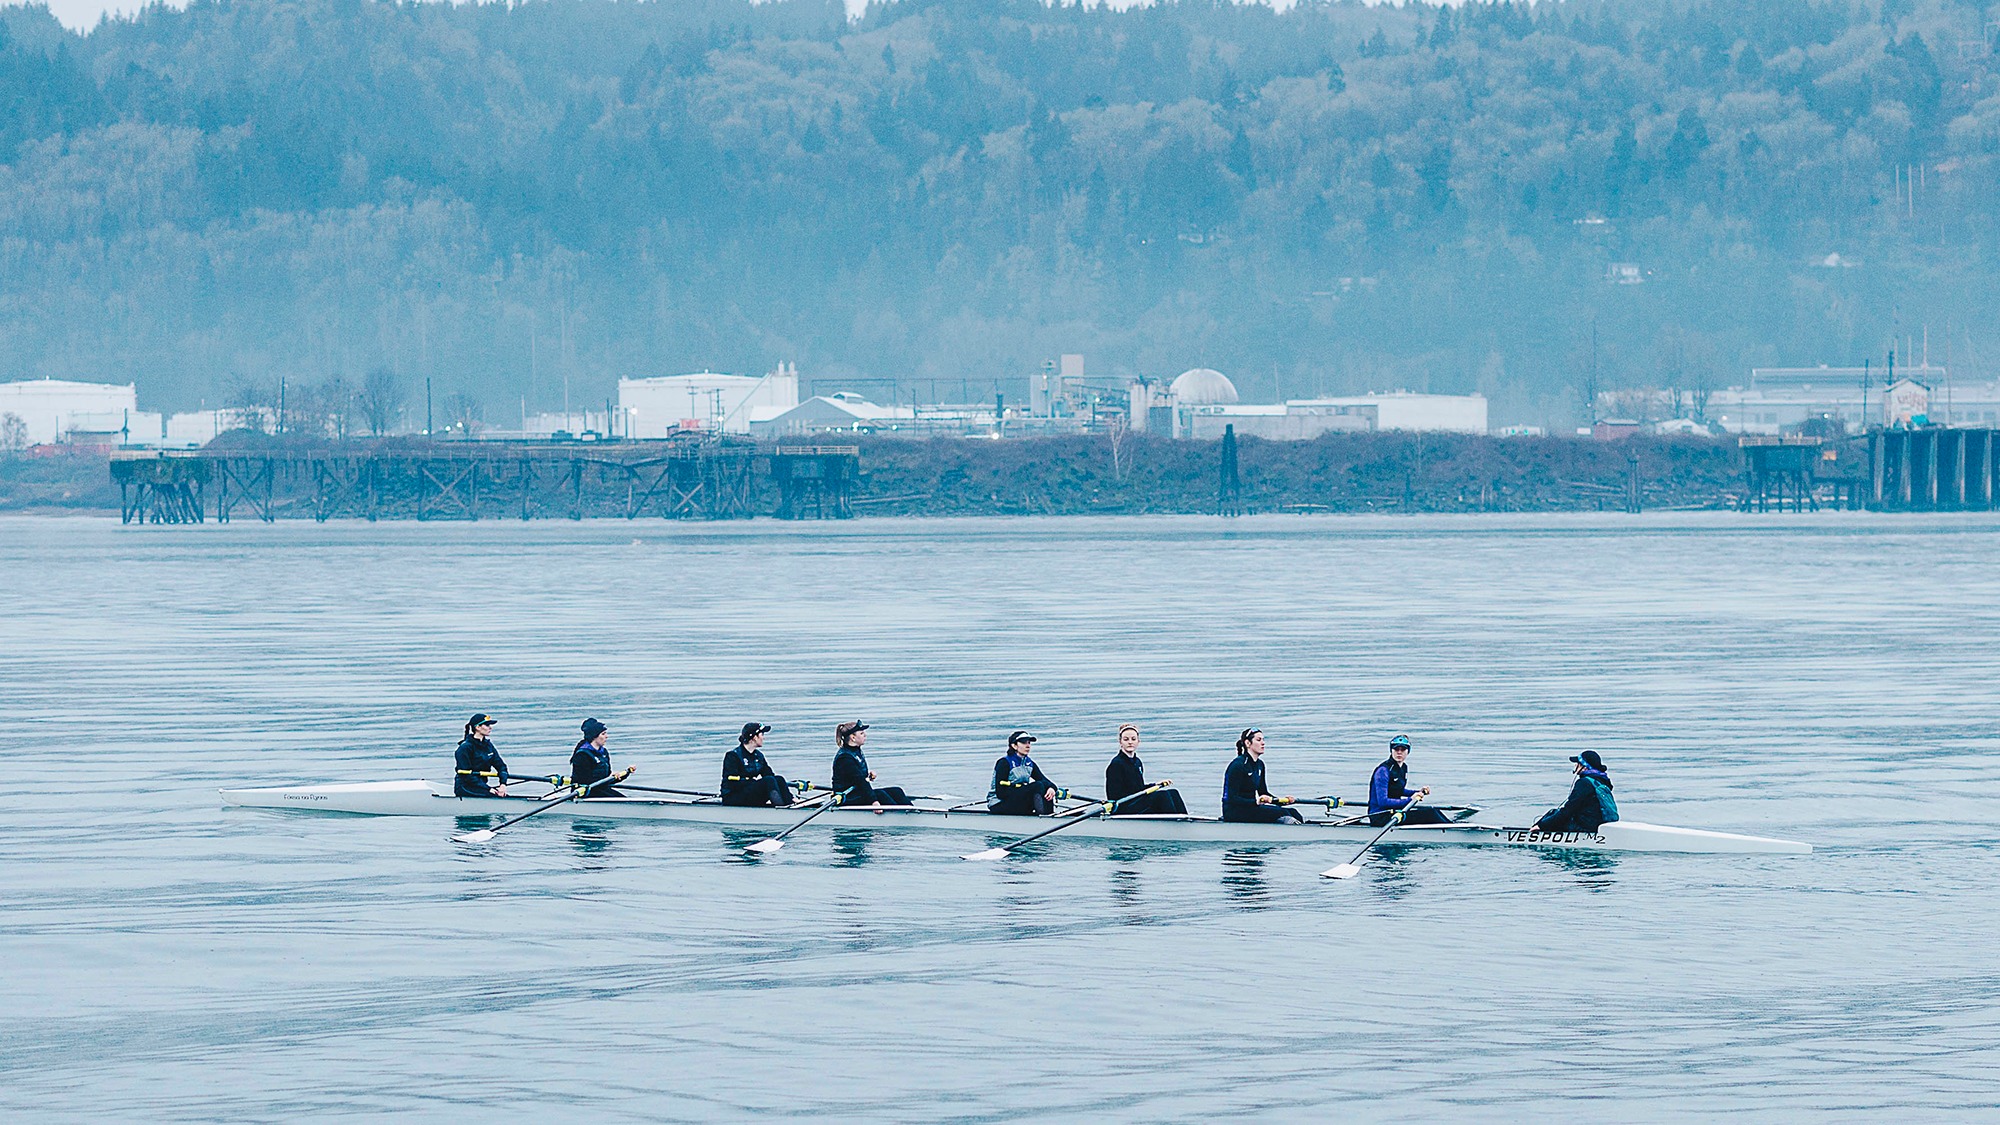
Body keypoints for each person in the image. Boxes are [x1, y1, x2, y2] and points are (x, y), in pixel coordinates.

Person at [1221, 728, 1303, 824]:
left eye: (1263, 740)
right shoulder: (1237, 765)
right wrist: (1255, 802)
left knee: (1294, 812)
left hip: (1250, 808)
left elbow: (1263, 793)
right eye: (1259, 740)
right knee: (1282, 813)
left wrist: (1283, 801)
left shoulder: (1260, 765)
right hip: (1234, 811)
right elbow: (1231, 798)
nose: (1263, 743)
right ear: (1248, 743)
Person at [1367, 735, 1450, 826]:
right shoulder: (1383, 771)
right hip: (1380, 817)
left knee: (1434, 810)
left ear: (1408, 752)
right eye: (1396, 749)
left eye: (1402, 750)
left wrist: (1419, 792)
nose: (1399, 752)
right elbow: (1382, 802)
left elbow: (1398, 790)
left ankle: (1452, 825)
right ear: (1391, 750)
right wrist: (1410, 799)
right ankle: (1454, 832)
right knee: (1430, 813)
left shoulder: (1403, 767)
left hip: (1394, 812)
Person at [1104, 724, 1188, 815]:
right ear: (1120, 742)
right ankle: (1172, 824)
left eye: (1133, 739)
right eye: (1126, 739)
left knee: (1173, 793)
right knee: (1162, 796)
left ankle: (1185, 820)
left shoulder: (1137, 762)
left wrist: (1155, 785)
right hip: (1123, 806)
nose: (1130, 742)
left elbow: (1139, 788)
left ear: (1138, 741)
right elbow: (1113, 796)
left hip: (1136, 801)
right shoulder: (1116, 764)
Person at [1532, 751, 1620, 833]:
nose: (1575, 766)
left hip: (1586, 827)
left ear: (1584, 767)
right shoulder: (1602, 781)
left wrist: (1542, 826)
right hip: (1599, 823)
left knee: (1552, 813)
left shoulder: (1584, 783)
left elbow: (1568, 810)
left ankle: (1534, 830)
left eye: (1578, 764)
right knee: (1556, 815)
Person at [831, 720, 911, 807]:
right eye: (861, 733)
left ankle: (912, 813)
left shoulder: (855, 750)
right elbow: (860, 782)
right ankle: (899, 817)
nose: (865, 735)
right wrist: (874, 801)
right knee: (880, 795)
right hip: (847, 797)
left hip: (857, 792)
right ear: (853, 738)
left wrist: (867, 773)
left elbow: (854, 775)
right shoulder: (845, 758)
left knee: (896, 791)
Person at [721, 722, 794, 808]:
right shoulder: (733, 756)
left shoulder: (759, 756)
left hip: (749, 793)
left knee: (779, 779)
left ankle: (791, 803)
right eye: (762, 734)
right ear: (755, 737)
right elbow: (733, 783)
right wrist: (754, 782)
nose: (764, 738)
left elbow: (770, 775)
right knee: (768, 781)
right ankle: (781, 810)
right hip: (733, 796)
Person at [988, 730, 1060, 816]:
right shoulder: (1004, 763)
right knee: (1038, 786)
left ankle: (1049, 815)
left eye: (1029, 742)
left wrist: (1052, 788)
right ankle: (1043, 818)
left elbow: (1045, 781)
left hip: (1015, 801)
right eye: (1023, 743)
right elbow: (1001, 793)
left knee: (1044, 786)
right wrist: (1025, 791)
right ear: (1014, 745)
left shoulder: (1029, 763)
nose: (1028, 746)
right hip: (999, 803)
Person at [454, 712, 510, 798]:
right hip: (465, 787)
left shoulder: (488, 746)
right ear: (477, 727)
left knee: (503, 796)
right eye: (487, 725)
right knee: (495, 796)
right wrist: (488, 789)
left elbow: (501, 767)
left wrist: (503, 784)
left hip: (481, 786)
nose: (490, 727)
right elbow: (466, 775)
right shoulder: (464, 748)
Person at [570, 717, 629, 797]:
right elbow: (584, 781)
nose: (606, 736)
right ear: (595, 736)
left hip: (600, 789)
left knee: (624, 799)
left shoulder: (604, 753)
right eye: (603, 734)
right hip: (585, 792)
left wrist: (623, 774)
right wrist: (609, 778)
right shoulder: (582, 755)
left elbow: (605, 779)